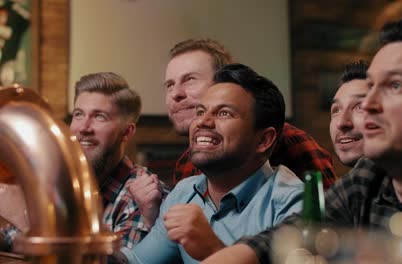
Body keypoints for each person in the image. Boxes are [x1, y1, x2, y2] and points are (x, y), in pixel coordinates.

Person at [202, 17, 402, 264]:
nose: (371, 103)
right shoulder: (368, 177)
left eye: (395, 85)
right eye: (372, 85)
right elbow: (289, 236)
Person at [114, 64, 304, 264]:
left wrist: (212, 250)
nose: (203, 122)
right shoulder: (184, 192)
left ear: (264, 140)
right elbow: (139, 261)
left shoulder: (292, 202)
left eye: (224, 113)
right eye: (200, 111)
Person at [165, 38, 337, 187]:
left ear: (226, 82)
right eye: (170, 84)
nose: (175, 94)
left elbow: (331, 221)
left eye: (190, 79)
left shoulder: (290, 143)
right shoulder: (185, 164)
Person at [70, 72, 167, 249]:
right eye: (78, 114)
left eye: (99, 116)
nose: (83, 128)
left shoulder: (143, 197)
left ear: (127, 132)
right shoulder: (64, 183)